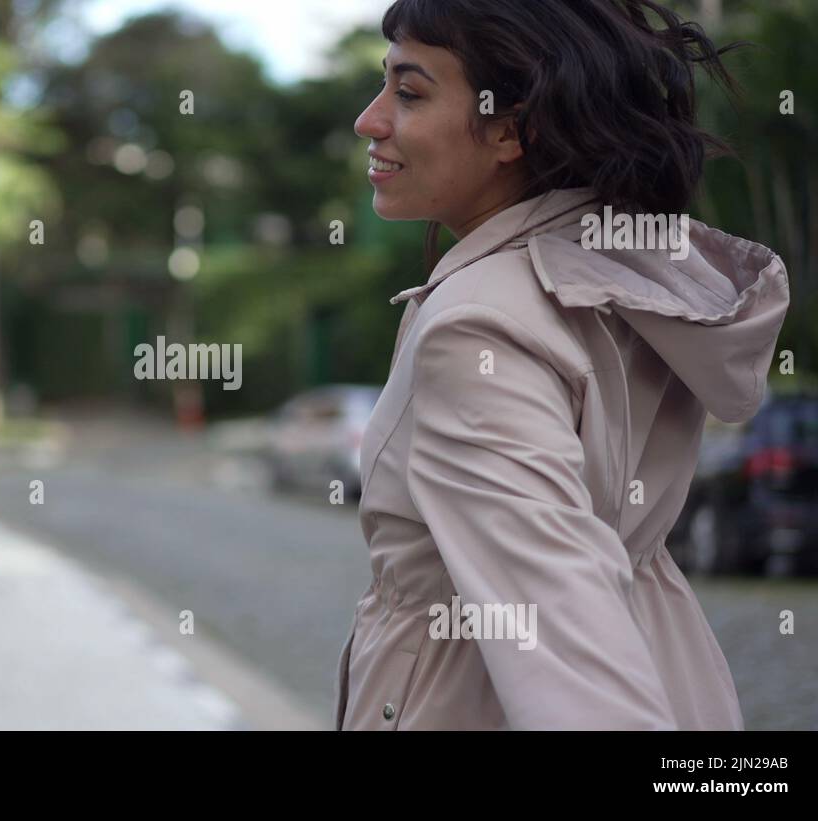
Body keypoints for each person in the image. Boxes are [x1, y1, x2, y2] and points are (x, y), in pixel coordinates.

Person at [335, 0, 789, 730]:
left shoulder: (478, 325)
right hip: (678, 676)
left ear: (513, 128)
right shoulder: (630, 277)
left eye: (409, 92)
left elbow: (556, 624)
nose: (370, 120)